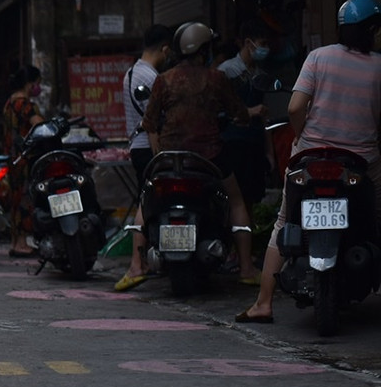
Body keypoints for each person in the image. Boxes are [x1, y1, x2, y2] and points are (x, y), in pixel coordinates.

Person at [237, 0, 381, 325]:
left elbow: (293, 108)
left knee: (285, 221)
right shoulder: (378, 66)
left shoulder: (318, 57)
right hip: (361, 160)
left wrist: (303, 138)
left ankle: (263, 303)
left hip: (309, 157)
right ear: (372, 29)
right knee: (377, 216)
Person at [140, 21, 258, 285]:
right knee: (237, 201)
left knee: (144, 198)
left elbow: (149, 122)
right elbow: (238, 113)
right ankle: (247, 268)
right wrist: (244, 117)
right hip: (210, 157)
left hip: (170, 159)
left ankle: (136, 265)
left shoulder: (163, 80)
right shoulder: (217, 78)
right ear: (204, 49)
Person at [115, 24, 173, 291]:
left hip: (139, 147)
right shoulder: (148, 78)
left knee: (146, 200)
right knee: (146, 203)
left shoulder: (132, 73)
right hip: (147, 147)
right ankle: (137, 264)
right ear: (164, 49)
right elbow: (152, 123)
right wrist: (159, 151)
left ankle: (143, 263)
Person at [217, 17, 275, 207]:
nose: (266, 49)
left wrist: (269, 153)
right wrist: (248, 112)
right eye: (262, 44)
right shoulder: (226, 71)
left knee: (251, 199)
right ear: (248, 42)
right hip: (233, 144)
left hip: (254, 145)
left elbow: (265, 117)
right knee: (234, 200)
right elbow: (217, 111)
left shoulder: (260, 75)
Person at [2, 65, 45, 257]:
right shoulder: (26, 105)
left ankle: (15, 241)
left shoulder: (9, 103)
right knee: (25, 200)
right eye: (37, 83)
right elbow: (41, 126)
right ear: (30, 84)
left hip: (12, 158)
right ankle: (21, 243)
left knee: (15, 199)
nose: (38, 87)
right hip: (25, 159)